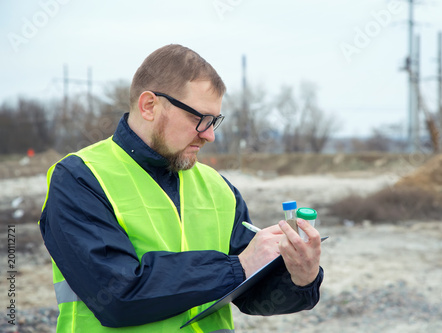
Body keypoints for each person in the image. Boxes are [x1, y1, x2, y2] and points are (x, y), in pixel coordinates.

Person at [39, 44, 323, 333]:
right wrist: (235, 267)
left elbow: (253, 295)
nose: (210, 135)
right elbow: (117, 296)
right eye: (198, 118)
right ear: (149, 106)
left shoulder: (218, 188)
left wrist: (300, 278)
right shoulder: (79, 178)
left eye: (214, 121)